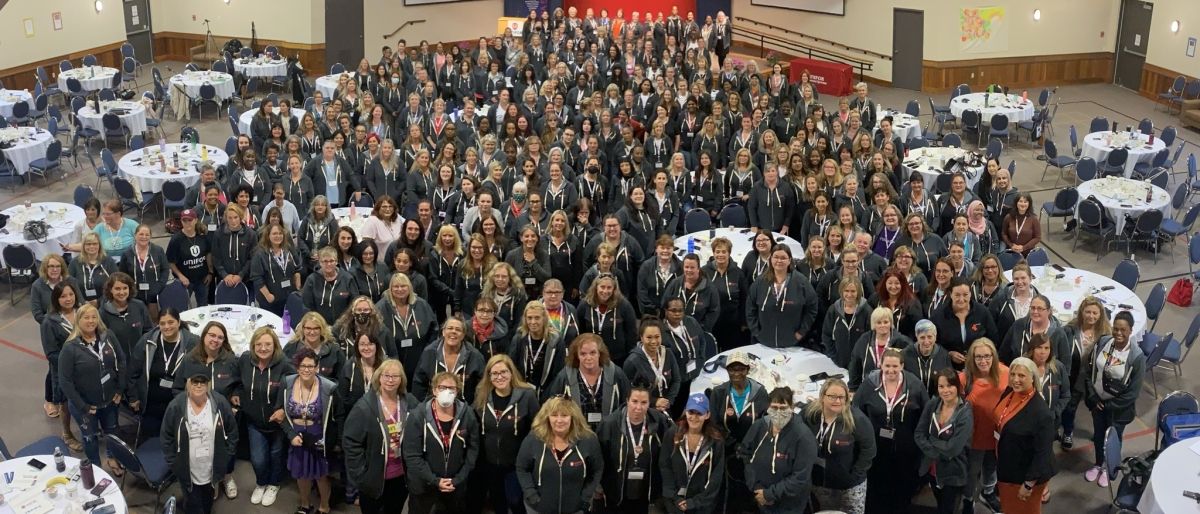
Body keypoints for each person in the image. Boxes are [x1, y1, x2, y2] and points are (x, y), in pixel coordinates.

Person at [852, 348, 928, 513]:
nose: (891, 370)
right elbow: (855, 411)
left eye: (895, 366)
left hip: (905, 450)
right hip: (876, 448)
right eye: (887, 366)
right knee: (877, 486)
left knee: (902, 487)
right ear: (880, 365)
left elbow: (925, 415)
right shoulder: (869, 384)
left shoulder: (915, 385)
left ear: (902, 366)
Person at [342, 359, 419, 514]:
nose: (390, 380)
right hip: (373, 478)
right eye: (386, 375)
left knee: (395, 510)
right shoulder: (364, 407)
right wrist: (361, 475)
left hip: (401, 476)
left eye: (395, 376)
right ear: (379, 377)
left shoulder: (410, 402)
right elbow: (351, 442)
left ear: (401, 379)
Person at [58, 304, 127, 475]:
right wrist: (83, 406)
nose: (91, 321)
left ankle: (113, 458)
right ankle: (96, 468)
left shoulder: (108, 336)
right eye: (86, 317)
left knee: (112, 433)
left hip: (110, 400)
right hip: (86, 407)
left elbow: (122, 361)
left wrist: (120, 389)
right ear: (78, 320)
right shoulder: (70, 348)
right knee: (90, 439)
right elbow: (65, 382)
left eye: (94, 317)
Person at [402, 371, 481, 514]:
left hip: (455, 485)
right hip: (423, 485)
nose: (447, 392)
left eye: (451, 388)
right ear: (434, 390)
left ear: (457, 391)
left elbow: (472, 449)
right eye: (442, 387)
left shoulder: (468, 414)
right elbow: (412, 455)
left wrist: (458, 479)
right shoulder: (418, 416)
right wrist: (435, 480)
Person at [470, 354, 540, 514]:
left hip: (516, 463)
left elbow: (536, 428)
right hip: (489, 462)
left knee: (515, 501)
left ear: (511, 373)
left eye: (503, 372)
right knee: (497, 502)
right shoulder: (482, 394)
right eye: (494, 373)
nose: (499, 376)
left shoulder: (527, 395)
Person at [1081, 311, 1144, 488]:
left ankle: (1109, 468)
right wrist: (1093, 397)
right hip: (1098, 405)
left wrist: (1108, 405)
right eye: (1115, 329)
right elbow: (1090, 370)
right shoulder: (1103, 342)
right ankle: (1098, 464)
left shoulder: (1136, 357)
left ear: (1130, 330)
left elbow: (1133, 393)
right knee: (1099, 436)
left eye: (1123, 330)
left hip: (1117, 410)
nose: (1118, 333)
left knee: (1112, 440)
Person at [162, 372, 239, 514]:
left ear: (208, 384)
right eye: (194, 382)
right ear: (188, 383)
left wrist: (225, 457)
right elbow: (166, 437)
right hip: (188, 469)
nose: (198, 386)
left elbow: (232, 431)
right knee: (192, 504)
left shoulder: (219, 402)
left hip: (211, 468)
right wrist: (174, 463)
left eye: (202, 382)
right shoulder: (177, 405)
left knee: (207, 501)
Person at [516, 396, 605, 514]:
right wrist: (531, 495)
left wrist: (585, 497)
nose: (559, 420)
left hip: (576, 509)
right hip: (538, 509)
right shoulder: (534, 438)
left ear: (573, 417)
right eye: (554, 415)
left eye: (564, 415)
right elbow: (521, 468)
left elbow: (597, 469)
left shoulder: (588, 439)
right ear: (547, 417)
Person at [237, 327, 295, 507]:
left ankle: (274, 484)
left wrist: (284, 410)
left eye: (268, 344)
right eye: (259, 344)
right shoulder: (245, 360)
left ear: (275, 345)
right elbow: (237, 381)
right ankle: (261, 483)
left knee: (276, 456)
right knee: (258, 458)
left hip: (277, 422)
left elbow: (294, 390)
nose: (263, 348)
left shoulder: (285, 365)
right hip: (254, 421)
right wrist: (236, 393)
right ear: (253, 345)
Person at [802, 378, 876, 514]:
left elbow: (869, 450)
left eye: (841, 397)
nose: (837, 401)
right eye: (832, 396)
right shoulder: (809, 414)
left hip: (849, 486)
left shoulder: (857, 419)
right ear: (822, 397)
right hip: (820, 483)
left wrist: (854, 475)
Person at [740, 386, 817, 514]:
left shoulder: (804, 437)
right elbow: (745, 454)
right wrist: (756, 487)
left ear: (792, 408)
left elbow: (800, 476)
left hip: (789, 504)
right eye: (774, 407)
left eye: (783, 408)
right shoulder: (759, 426)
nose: (778, 412)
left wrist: (770, 494)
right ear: (768, 408)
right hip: (761, 495)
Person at [994, 357, 1056, 514]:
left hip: (1024, 476)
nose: (1015, 379)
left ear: (1033, 378)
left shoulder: (1041, 413)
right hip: (1007, 467)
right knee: (1010, 508)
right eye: (1013, 374)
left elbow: (1043, 453)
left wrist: (1028, 484)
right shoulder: (1010, 392)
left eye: (1022, 376)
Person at [128, 308, 199, 443]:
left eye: (171, 322)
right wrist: (133, 396)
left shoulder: (193, 343)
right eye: (162, 323)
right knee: (152, 442)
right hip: (151, 405)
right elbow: (133, 370)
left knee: (177, 441)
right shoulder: (147, 340)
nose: (167, 327)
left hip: (179, 404)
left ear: (178, 322)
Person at [283, 347, 340, 514]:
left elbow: (338, 415)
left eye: (310, 366)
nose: (306, 369)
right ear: (297, 367)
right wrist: (291, 435)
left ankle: (324, 506)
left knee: (321, 475)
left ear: (317, 367)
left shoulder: (328, 387)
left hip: (318, 435)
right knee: (301, 474)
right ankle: (305, 504)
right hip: (297, 435)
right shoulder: (288, 383)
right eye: (303, 366)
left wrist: (335, 441)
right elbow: (281, 414)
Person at [596, 385, 670, 513]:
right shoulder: (609, 424)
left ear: (649, 403)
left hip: (647, 491)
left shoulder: (659, 422)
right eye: (634, 401)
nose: (638, 407)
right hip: (617, 492)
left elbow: (667, 455)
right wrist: (598, 487)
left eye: (644, 402)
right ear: (627, 400)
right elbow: (598, 459)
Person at [1052, 296, 1111, 450]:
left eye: (1095, 313)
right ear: (1081, 312)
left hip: (1094, 381)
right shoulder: (1069, 331)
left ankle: (1099, 434)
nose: (1091, 316)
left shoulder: (1105, 334)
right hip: (1074, 378)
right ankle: (1068, 432)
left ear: (1100, 315)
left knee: (1096, 409)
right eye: (1088, 312)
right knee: (1070, 407)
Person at [914, 369, 974, 514]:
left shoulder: (965, 412)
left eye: (949, 385)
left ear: (957, 387)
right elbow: (919, 434)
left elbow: (953, 449)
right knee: (940, 506)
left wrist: (932, 441)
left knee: (948, 509)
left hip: (953, 473)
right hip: (932, 470)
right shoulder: (933, 404)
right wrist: (936, 450)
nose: (945, 390)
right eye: (941, 386)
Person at [960, 339, 1008, 514]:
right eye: (978, 357)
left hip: (996, 434)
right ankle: (968, 498)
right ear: (972, 358)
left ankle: (988, 492)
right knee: (972, 471)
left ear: (993, 356)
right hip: (974, 437)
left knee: (992, 465)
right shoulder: (964, 379)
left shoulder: (1006, 373)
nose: (983, 361)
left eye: (987, 356)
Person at [545, 334, 632, 430]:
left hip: (610, 433)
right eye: (583, 354)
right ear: (577, 356)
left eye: (593, 353)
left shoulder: (616, 374)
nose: (588, 357)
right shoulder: (564, 377)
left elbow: (627, 405)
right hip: (576, 435)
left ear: (600, 353)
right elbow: (552, 408)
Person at [660, 393, 725, 514]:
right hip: (673, 502)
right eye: (691, 412)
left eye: (699, 413)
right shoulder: (672, 434)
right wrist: (674, 497)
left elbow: (716, 477)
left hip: (702, 505)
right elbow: (665, 466)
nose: (694, 417)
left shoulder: (715, 441)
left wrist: (695, 502)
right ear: (685, 412)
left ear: (707, 415)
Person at [745, 244, 818, 348]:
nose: (779, 261)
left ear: (789, 260)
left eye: (783, 258)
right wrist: (756, 332)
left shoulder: (801, 282)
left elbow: (812, 308)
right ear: (771, 259)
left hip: (792, 343)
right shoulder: (760, 282)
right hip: (763, 342)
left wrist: (801, 332)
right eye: (776, 257)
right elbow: (750, 308)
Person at [40, 282, 85, 450]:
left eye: (71, 295)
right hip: (64, 369)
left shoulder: (82, 312)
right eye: (63, 296)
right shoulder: (49, 322)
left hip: (85, 367)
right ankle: (66, 433)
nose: (68, 299)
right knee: (65, 403)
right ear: (56, 299)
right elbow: (51, 353)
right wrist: (73, 361)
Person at [376, 273, 439, 377]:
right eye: (396, 286)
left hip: (418, 357)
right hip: (392, 359)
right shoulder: (380, 307)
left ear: (409, 288)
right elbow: (376, 333)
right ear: (390, 289)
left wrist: (427, 351)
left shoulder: (422, 305)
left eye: (403, 286)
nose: (400, 289)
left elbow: (434, 329)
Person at [412, 316, 486, 404]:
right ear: (443, 332)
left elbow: (482, 386)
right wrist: (425, 407)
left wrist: (471, 410)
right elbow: (419, 383)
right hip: (434, 408)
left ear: (463, 335)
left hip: (464, 409)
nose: (453, 331)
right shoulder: (429, 352)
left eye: (458, 330)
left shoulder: (475, 356)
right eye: (450, 328)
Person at [847, 307, 913, 391]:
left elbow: (910, 367)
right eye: (879, 322)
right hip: (869, 387)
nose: (883, 325)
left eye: (886, 322)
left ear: (891, 323)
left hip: (895, 389)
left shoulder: (903, 342)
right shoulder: (864, 340)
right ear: (874, 324)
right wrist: (853, 388)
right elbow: (855, 364)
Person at [623, 318, 682, 412]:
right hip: (643, 409)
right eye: (649, 337)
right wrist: (654, 402)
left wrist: (668, 401)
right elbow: (628, 391)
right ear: (641, 338)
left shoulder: (668, 354)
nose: (654, 341)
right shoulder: (632, 361)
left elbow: (676, 380)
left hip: (666, 407)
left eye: (657, 336)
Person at [118, 224, 169, 322]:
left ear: (151, 236)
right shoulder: (127, 253)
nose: (144, 237)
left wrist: (159, 287)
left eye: (147, 235)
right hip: (135, 295)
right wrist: (129, 290)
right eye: (141, 234)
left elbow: (165, 269)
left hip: (154, 294)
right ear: (135, 235)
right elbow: (122, 275)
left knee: (155, 319)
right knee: (138, 320)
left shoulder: (158, 251)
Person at [250, 223, 303, 316]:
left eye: (280, 233)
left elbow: (297, 268)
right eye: (274, 234)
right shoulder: (260, 254)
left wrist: (297, 287)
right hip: (270, 300)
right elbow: (257, 278)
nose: (278, 236)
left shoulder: (288, 249)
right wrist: (268, 296)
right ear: (268, 235)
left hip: (289, 296)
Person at [302, 247, 361, 324]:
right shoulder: (311, 280)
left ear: (336, 261)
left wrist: (344, 323)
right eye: (325, 261)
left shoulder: (348, 279)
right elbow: (307, 307)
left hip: (344, 326)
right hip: (319, 326)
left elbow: (354, 303)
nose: (328, 264)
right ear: (320, 262)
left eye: (331, 261)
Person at [167, 210, 213, 308]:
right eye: (184, 220)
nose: (187, 223)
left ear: (195, 220)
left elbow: (208, 254)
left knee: (203, 305)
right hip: (185, 281)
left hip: (202, 279)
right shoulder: (176, 240)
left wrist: (210, 272)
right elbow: (170, 262)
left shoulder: (203, 236)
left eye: (190, 220)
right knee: (182, 306)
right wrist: (181, 276)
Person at [284, 312, 347, 380]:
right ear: (303, 329)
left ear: (322, 329)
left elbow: (341, 378)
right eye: (308, 328)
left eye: (316, 328)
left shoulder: (334, 350)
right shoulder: (291, 348)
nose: (312, 332)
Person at [902, 319, 953, 394]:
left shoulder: (944, 355)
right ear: (917, 337)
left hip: (937, 400)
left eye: (930, 337)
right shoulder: (905, 354)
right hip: (912, 400)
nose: (926, 341)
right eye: (922, 337)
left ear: (935, 337)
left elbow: (949, 381)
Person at [68, 232, 118, 306]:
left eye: (95, 244)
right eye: (88, 244)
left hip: (106, 304)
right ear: (83, 246)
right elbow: (69, 285)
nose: (91, 246)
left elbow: (116, 284)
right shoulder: (74, 263)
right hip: (80, 305)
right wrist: (82, 302)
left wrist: (99, 302)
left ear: (99, 245)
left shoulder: (108, 261)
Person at [32, 254, 79, 325]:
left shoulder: (72, 281)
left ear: (62, 268)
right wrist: (54, 325)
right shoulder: (37, 286)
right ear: (45, 268)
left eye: (58, 266)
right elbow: (37, 314)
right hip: (51, 325)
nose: (55, 269)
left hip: (74, 324)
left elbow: (80, 304)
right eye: (51, 266)